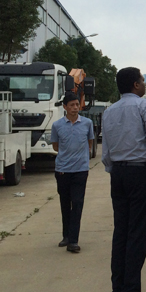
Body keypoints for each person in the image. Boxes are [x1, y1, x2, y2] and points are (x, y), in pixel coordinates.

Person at [102, 67, 146, 292]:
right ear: (136, 85)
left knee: (121, 233)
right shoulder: (143, 106)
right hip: (140, 172)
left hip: (118, 173)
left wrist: (115, 169)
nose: (144, 84)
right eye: (142, 81)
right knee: (137, 233)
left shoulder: (109, 111)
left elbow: (106, 151)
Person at [51, 92, 95, 254]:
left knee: (77, 203)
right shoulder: (57, 125)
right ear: (65, 107)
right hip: (62, 170)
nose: (75, 108)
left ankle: (73, 241)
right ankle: (66, 236)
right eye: (72, 105)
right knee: (65, 203)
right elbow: (56, 146)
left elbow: (89, 143)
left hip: (81, 170)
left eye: (77, 104)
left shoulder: (87, 123)